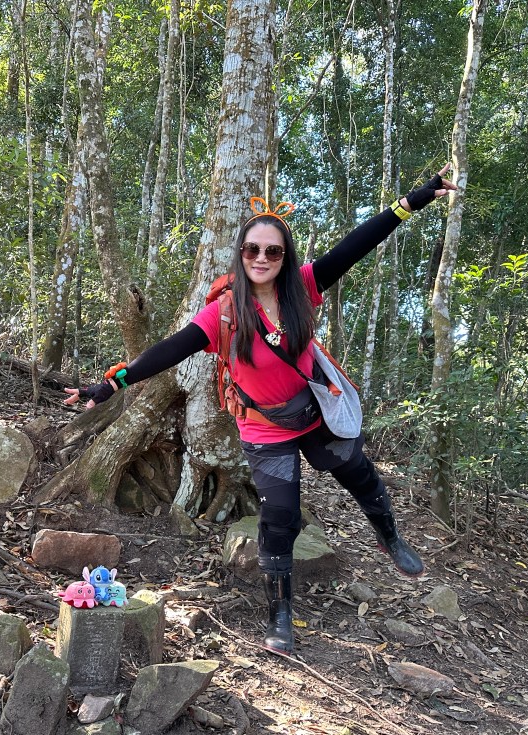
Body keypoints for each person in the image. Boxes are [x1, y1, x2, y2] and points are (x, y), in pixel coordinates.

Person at [65, 165, 456, 655]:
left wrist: (414, 200)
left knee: (358, 473)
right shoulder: (225, 313)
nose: (262, 258)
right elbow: (171, 349)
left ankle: (390, 537)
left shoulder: (303, 288)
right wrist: (112, 383)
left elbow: (357, 245)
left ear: (285, 256)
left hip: (313, 412)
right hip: (264, 427)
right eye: (253, 249)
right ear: (241, 254)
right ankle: (280, 612)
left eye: (273, 250)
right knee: (281, 517)